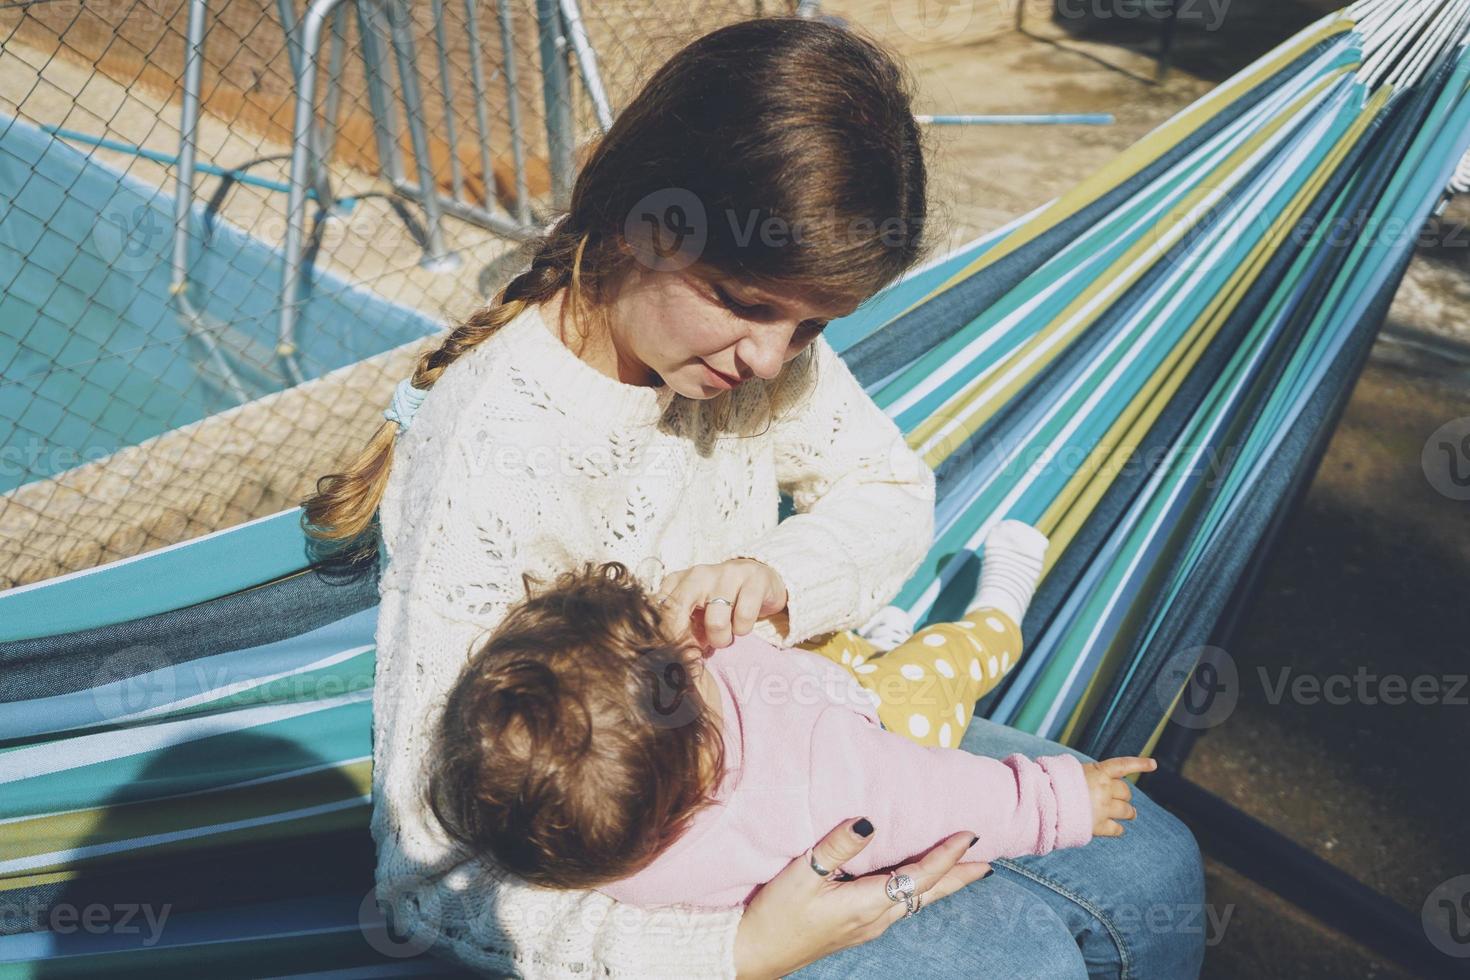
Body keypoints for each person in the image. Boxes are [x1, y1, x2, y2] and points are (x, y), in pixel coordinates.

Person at [302, 15, 1204, 979]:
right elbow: (428, 872)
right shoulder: (493, 443)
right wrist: (741, 947)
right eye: (747, 305)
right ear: (644, 223)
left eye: (811, 326)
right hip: (671, 874)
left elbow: (890, 488)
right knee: (1012, 956)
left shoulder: (749, 352)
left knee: (1152, 860)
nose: (771, 359)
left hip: (812, 732)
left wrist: (781, 576)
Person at [422, 522, 1158, 913]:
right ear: (706, 748)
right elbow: (937, 797)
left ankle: (878, 639)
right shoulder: (826, 785)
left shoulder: (594, 831)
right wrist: (1063, 801)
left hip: (812, 683)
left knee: (816, 640)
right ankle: (1003, 595)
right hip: (881, 724)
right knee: (949, 661)